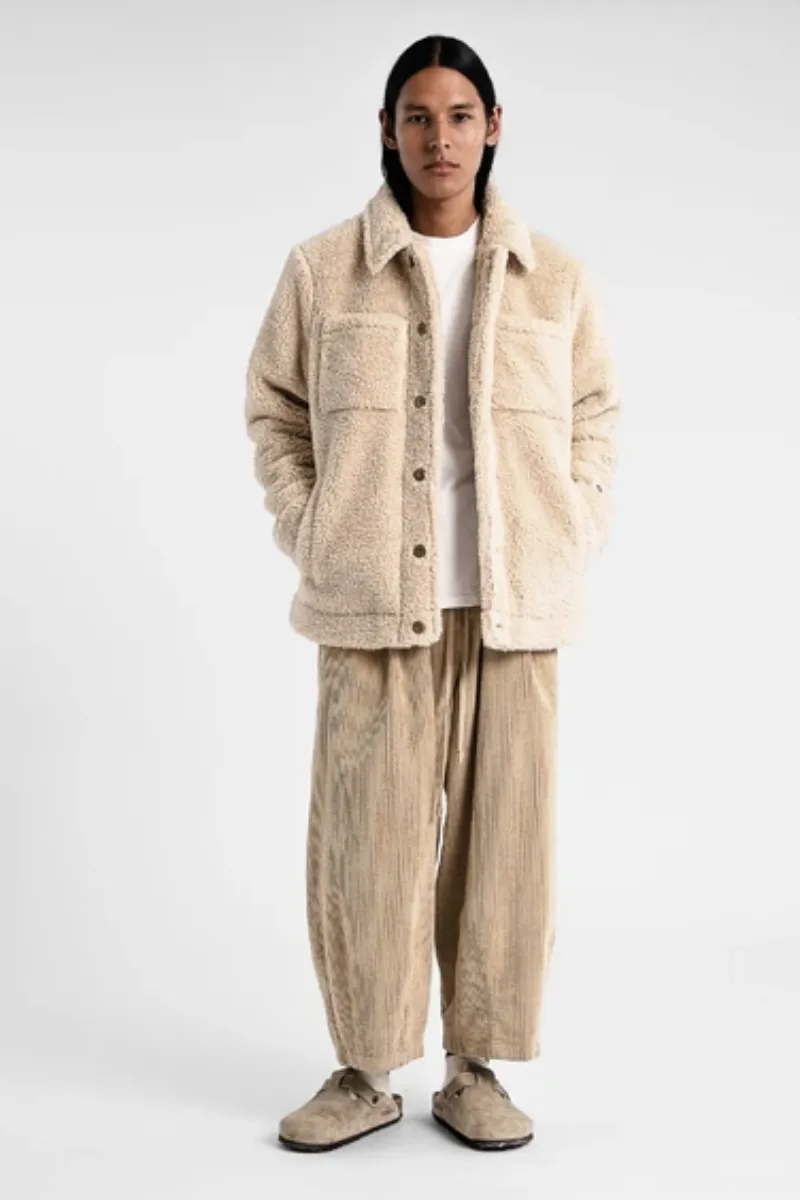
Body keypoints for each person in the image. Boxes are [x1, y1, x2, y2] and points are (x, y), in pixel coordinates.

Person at [244, 33, 620, 1153]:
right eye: (418, 116)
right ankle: (364, 1072)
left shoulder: (554, 276)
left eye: (460, 116)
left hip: (514, 610)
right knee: (368, 849)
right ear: (387, 130)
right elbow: (274, 412)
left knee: (504, 852)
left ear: (492, 128)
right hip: (371, 605)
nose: (439, 138)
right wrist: (311, 527)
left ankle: (475, 1068)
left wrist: (573, 526)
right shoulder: (324, 268)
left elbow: (595, 417)